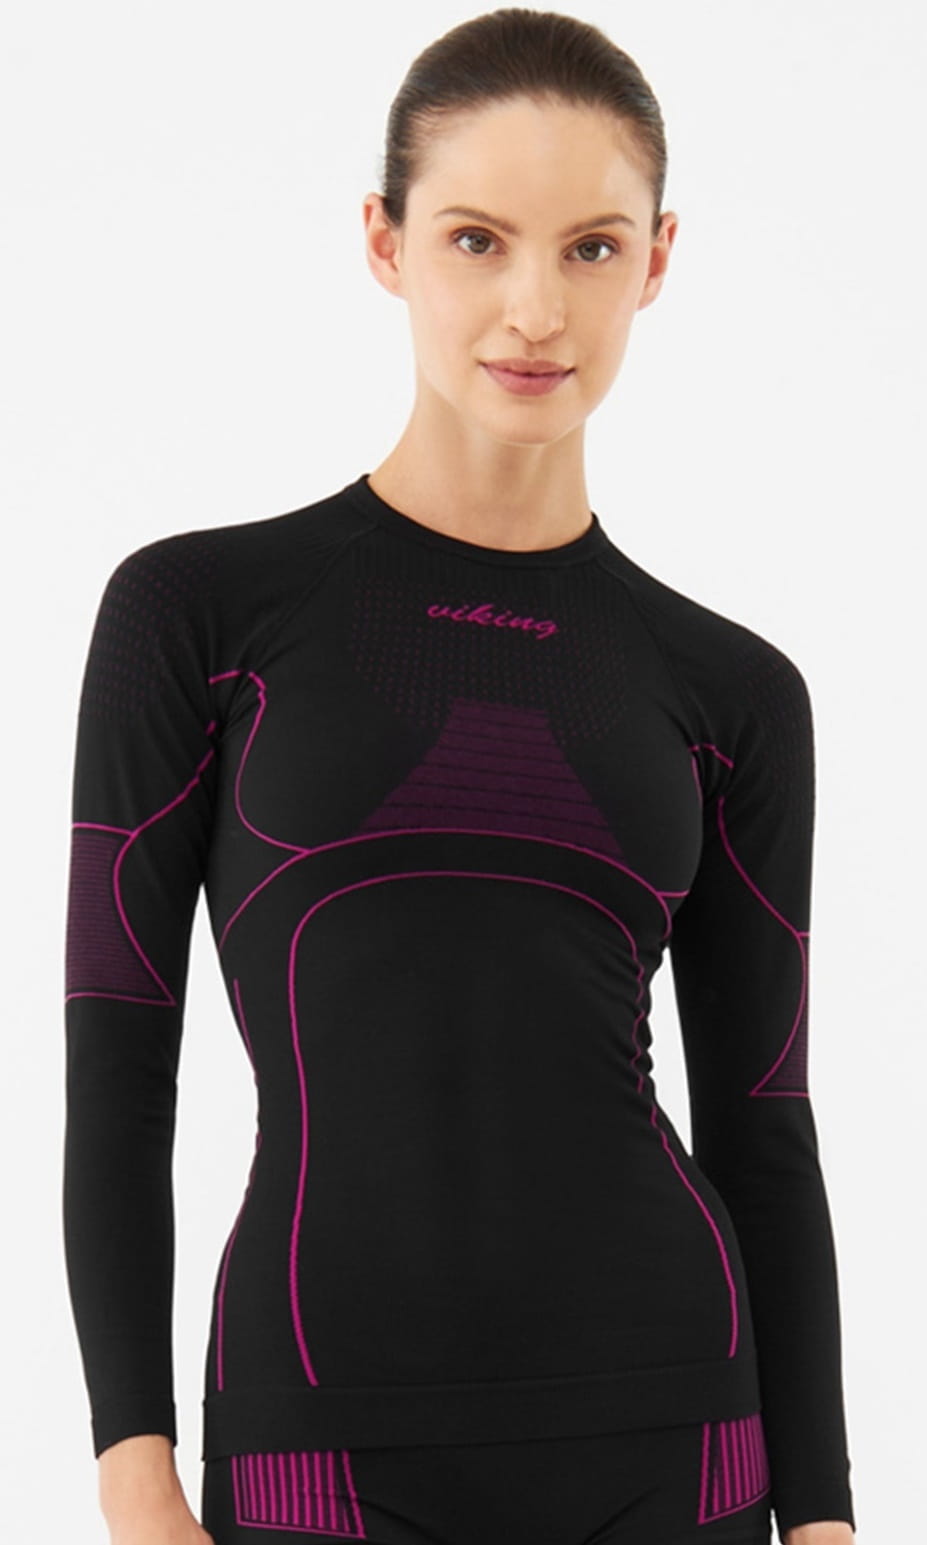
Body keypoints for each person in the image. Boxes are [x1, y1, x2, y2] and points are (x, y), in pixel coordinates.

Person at [62, 9, 857, 1545]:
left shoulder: (736, 690)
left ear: (658, 260)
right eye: (478, 239)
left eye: (592, 248)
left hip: (677, 1434)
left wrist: (822, 1515)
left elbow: (766, 1122)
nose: (535, 309)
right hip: (321, 1436)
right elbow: (116, 1062)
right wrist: (131, 1465)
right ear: (386, 241)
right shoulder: (198, 616)